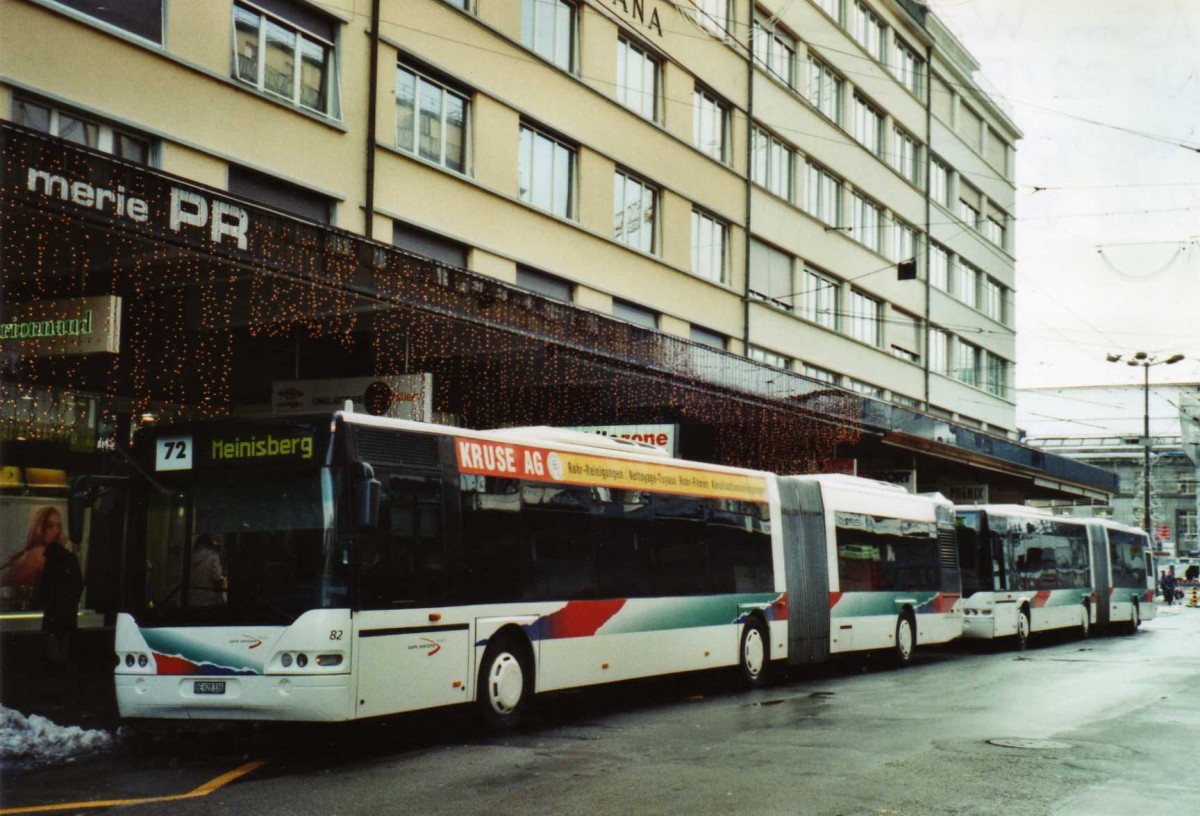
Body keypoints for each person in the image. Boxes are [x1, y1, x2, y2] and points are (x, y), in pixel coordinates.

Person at [32, 519, 84, 666]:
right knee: (64, 635)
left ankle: (54, 663)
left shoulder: (50, 559)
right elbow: (78, 583)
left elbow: (45, 584)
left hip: (53, 607)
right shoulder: (70, 559)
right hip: (68, 607)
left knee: (53, 635)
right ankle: (63, 662)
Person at [2, 506, 64, 609]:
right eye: (49, 525)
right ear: (40, 527)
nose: (56, 531)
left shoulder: (37, 552)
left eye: (58, 526)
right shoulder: (39, 553)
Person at [189, 534, 225, 606]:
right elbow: (217, 576)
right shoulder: (213, 556)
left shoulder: (189, 557)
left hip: (191, 597)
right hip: (208, 597)